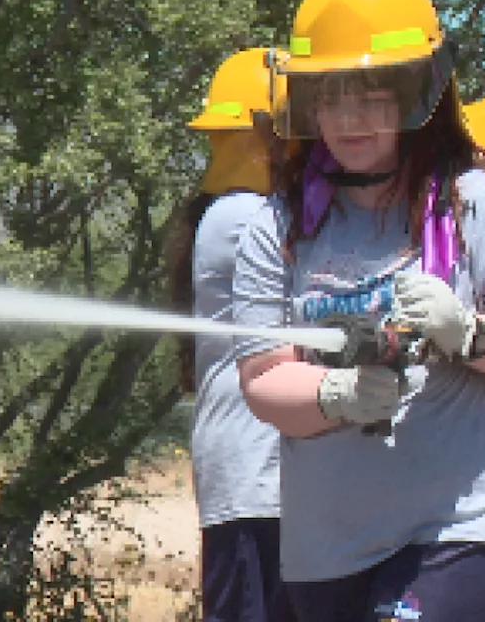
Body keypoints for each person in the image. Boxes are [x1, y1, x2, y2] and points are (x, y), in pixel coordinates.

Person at [231, 0, 485, 620]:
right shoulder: (276, 226)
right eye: (329, 95)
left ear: (419, 93)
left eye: (373, 93)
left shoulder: (484, 206)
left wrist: (472, 333)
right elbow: (261, 378)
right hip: (326, 547)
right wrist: (334, 395)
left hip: (462, 529)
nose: (349, 117)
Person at [168, 47, 294, 622]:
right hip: (256, 478)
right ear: (266, 132)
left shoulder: (238, 212)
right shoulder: (248, 218)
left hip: (265, 475)